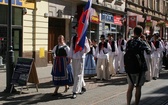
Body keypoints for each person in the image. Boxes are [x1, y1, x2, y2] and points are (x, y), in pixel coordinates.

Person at [125, 26, 151, 105]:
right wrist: (145, 40)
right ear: (141, 33)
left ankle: (128, 103)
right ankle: (136, 103)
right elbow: (149, 51)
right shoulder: (141, 42)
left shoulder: (129, 42)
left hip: (129, 67)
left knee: (130, 87)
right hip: (140, 67)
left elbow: (126, 51)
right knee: (138, 87)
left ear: (134, 33)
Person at [69, 24, 90, 99]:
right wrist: (70, 57)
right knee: (75, 74)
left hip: (81, 57)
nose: (76, 30)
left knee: (78, 75)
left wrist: (83, 48)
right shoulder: (73, 38)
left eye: (77, 29)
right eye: (75, 29)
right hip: (74, 57)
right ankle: (83, 86)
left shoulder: (84, 38)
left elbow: (88, 49)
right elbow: (71, 48)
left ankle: (75, 91)